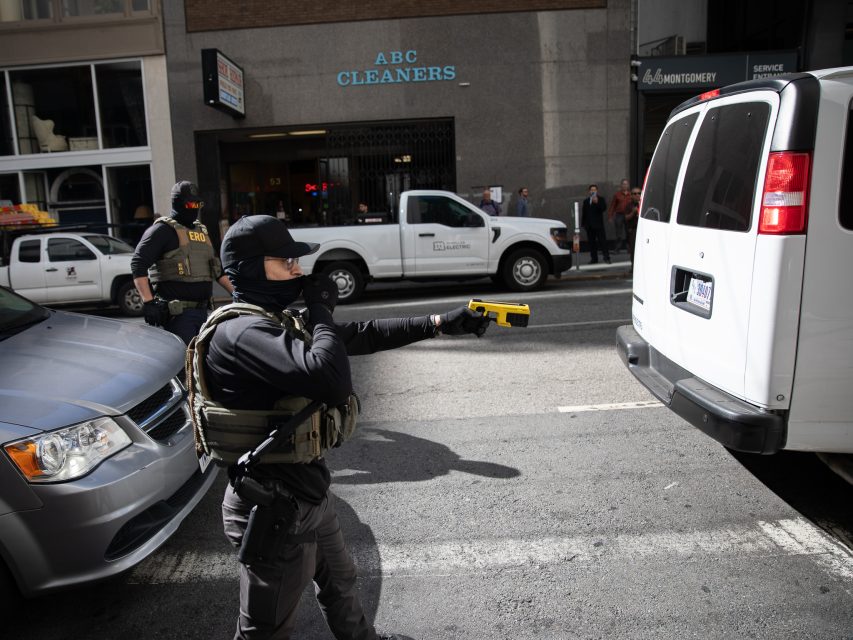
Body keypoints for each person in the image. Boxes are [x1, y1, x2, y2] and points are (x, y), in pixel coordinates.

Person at [191, 214, 490, 640]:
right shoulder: (242, 333)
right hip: (273, 509)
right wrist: (321, 309)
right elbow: (329, 379)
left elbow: (360, 335)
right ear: (254, 268)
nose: (298, 270)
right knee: (264, 630)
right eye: (287, 262)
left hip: (306, 491)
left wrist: (440, 323)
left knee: (341, 583)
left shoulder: (274, 321)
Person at [132, 180, 234, 345]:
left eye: (198, 204)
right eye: (190, 204)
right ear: (178, 203)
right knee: (186, 364)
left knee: (202, 363)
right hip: (177, 315)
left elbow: (217, 270)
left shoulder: (202, 232)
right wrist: (148, 302)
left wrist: (236, 294)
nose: (195, 208)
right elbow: (138, 264)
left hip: (204, 311)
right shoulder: (162, 231)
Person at [581, 184, 611, 264]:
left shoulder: (601, 199)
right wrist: (583, 224)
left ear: (597, 191)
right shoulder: (586, 201)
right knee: (592, 243)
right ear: (589, 191)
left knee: (602, 242)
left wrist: (597, 202)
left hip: (598, 225)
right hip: (589, 226)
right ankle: (594, 259)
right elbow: (584, 213)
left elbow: (603, 208)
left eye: (594, 190)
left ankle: (606, 257)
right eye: (591, 190)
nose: (593, 191)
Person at [607, 179, 632, 252]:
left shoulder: (631, 194)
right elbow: (612, 206)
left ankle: (629, 248)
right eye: (623, 184)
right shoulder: (617, 194)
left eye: (626, 184)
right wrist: (610, 216)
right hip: (619, 215)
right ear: (621, 185)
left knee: (629, 232)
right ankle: (617, 248)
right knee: (618, 233)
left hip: (628, 214)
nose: (625, 185)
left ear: (628, 185)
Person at [626, 186, 641, 265]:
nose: (637, 195)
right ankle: (634, 267)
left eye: (639, 193)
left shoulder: (644, 204)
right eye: (634, 194)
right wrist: (633, 212)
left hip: (643, 230)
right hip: (634, 230)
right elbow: (626, 217)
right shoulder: (629, 205)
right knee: (634, 250)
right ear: (631, 195)